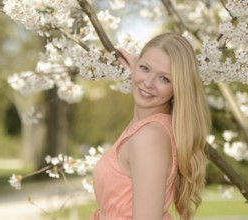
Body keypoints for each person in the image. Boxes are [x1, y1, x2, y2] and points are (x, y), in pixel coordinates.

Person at [89, 32, 210, 220]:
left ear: (178, 87)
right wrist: (142, 71)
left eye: (165, 79)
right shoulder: (155, 126)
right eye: (145, 68)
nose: (148, 83)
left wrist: (145, 69)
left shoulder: (149, 138)